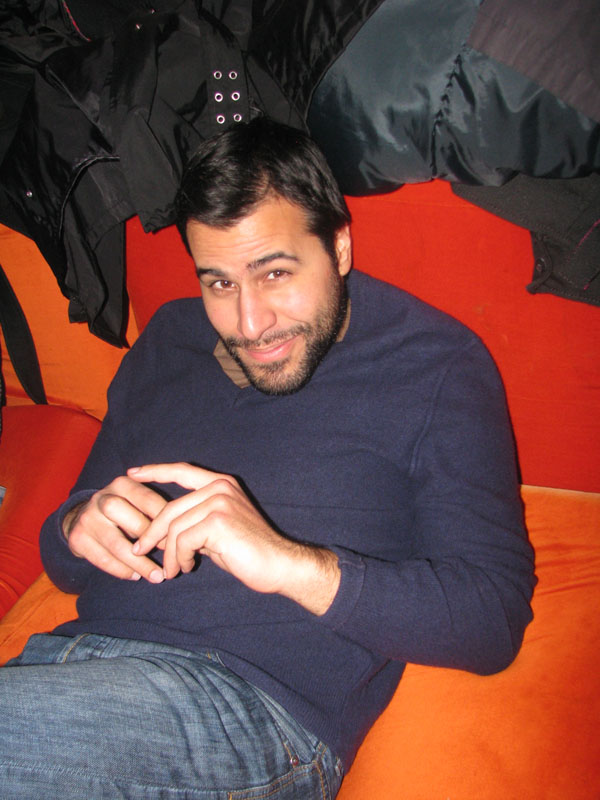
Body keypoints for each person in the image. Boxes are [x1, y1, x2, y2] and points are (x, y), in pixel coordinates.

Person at [0, 117, 535, 799]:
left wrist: (286, 563)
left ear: (339, 246)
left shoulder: (437, 365)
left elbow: (492, 621)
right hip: (60, 674)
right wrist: (79, 523)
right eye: (219, 283)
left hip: (245, 711)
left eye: (275, 273)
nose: (250, 323)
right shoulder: (168, 340)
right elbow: (64, 560)